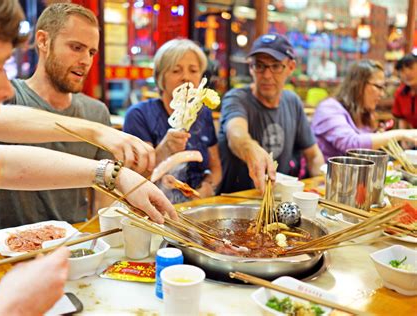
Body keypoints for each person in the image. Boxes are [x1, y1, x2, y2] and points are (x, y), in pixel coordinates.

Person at [0, 1, 175, 314]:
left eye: (91, 52)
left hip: (70, 257)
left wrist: (115, 172)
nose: (2, 90)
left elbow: (4, 163)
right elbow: (3, 122)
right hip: (10, 261)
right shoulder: (13, 97)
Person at [0, 3, 153, 233]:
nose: (86, 60)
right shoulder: (8, 95)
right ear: (42, 41)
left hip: (74, 242)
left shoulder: (96, 112)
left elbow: (103, 198)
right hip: (7, 244)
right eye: (76, 47)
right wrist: (94, 131)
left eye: (91, 52)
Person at [218, 33, 324, 194]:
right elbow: (236, 133)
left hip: (279, 199)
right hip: (237, 199)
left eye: (275, 66)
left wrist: (320, 185)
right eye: (259, 66)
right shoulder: (236, 98)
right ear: (250, 67)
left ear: (290, 67)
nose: (267, 75)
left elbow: (314, 155)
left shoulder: (292, 101)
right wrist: (252, 150)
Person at [123, 39, 222, 203]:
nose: (186, 78)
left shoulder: (203, 114)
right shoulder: (139, 115)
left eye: (193, 70)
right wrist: (164, 149)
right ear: (160, 77)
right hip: (155, 206)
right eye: (176, 71)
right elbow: (136, 177)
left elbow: (216, 167)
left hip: (198, 204)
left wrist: (208, 187)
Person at [311, 59, 417, 160]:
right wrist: (401, 134)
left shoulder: (364, 112)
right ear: (359, 85)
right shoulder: (329, 108)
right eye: (378, 87)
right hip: (323, 176)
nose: (382, 94)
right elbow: (351, 144)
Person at [392, 51, 417, 129]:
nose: (407, 73)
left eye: (410, 68)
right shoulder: (400, 93)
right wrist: (403, 141)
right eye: (402, 70)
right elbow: (402, 120)